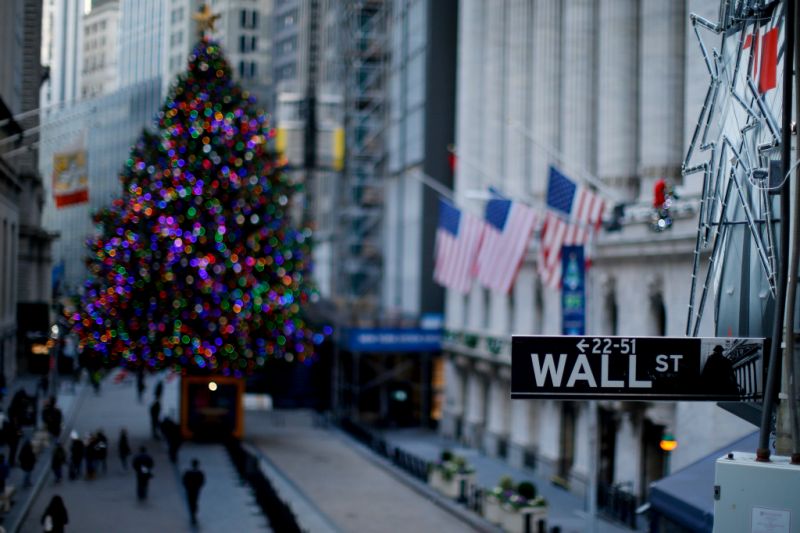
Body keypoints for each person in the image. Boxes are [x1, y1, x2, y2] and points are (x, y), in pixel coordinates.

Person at [182, 459, 205, 525]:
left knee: (191, 502)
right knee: (194, 502)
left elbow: (184, 481)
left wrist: (187, 487)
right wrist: (198, 487)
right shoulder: (199, 473)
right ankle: (193, 514)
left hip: (190, 490)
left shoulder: (188, 472)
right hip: (195, 490)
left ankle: (193, 514)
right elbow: (202, 481)